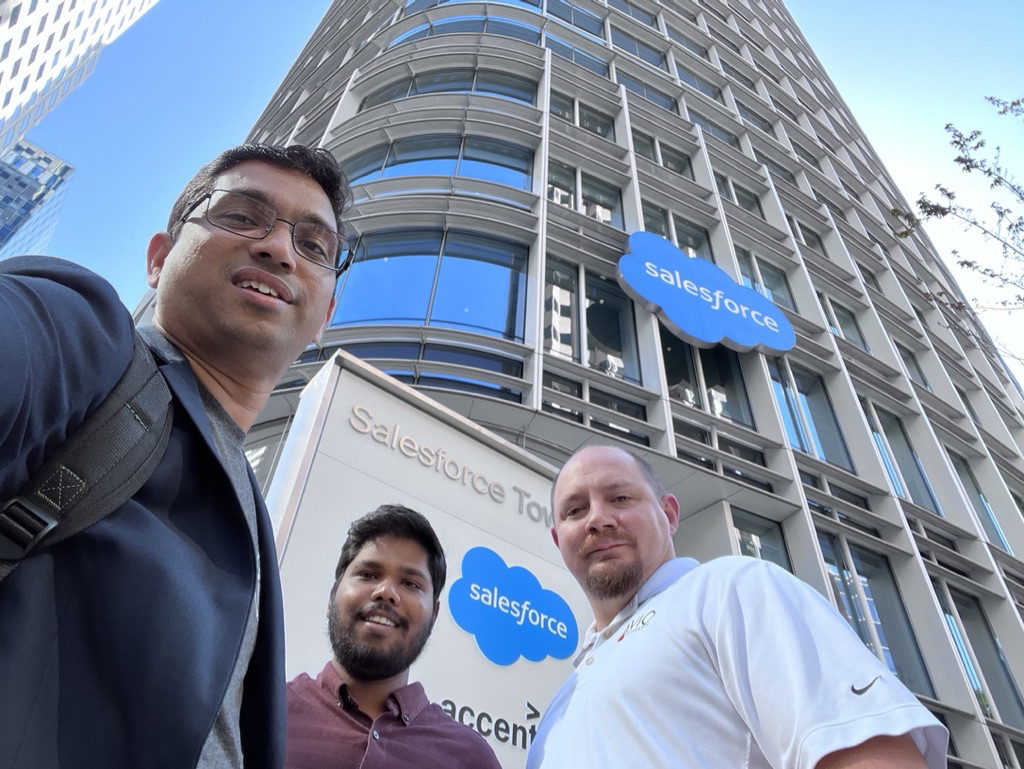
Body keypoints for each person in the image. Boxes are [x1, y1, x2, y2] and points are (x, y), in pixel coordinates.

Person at [0, 144, 350, 769]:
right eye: (241, 215)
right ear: (159, 259)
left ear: (324, 317)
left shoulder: (251, 513)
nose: (279, 249)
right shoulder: (83, 335)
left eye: (314, 245)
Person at [527, 445, 949, 769]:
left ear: (669, 515)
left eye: (620, 498)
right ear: (558, 540)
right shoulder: (560, 705)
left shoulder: (731, 588)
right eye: (575, 510)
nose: (597, 519)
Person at [286, 504, 501, 769]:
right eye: (368, 574)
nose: (386, 591)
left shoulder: (471, 758)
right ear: (333, 595)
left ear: (434, 615)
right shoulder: (263, 712)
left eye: (410, 583)